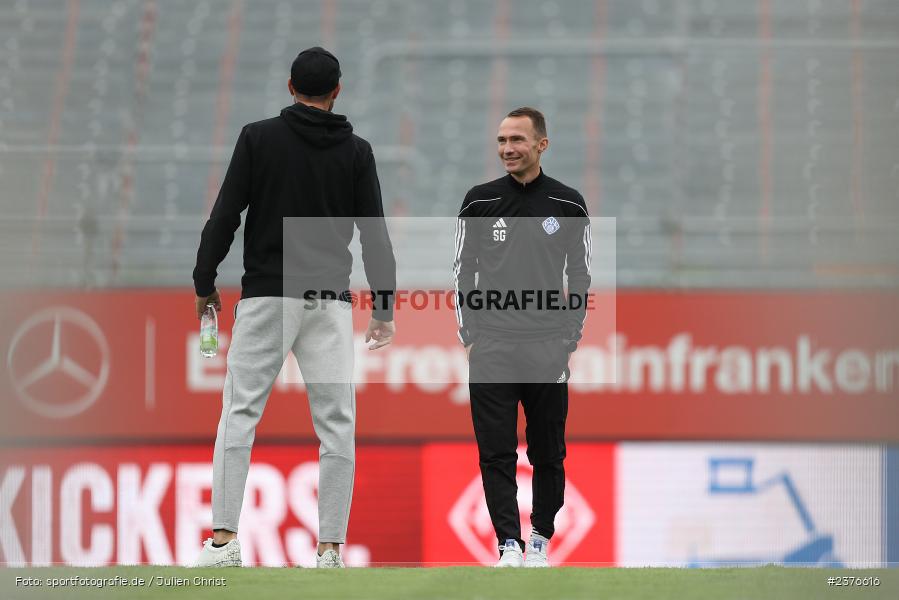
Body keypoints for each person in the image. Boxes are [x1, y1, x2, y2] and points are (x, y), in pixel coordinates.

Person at [191, 47, 396, 569]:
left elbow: (226, 214)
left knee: (239, 415)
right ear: (337, 92)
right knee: (336, 425)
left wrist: (204, 279)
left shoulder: (258, 138)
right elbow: (374, 232)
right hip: (327, 301)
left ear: (289, 87)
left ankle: (223, 542)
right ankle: (330, 549)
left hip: (267, 296)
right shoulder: (357, 151)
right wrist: (385, 304)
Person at [454, 107, 591, 568]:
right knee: (495, 451)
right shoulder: (479, 202)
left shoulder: (568, 204)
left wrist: (568, 338)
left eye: (517, 140)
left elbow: (582, 275)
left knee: (548, 451)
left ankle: (540, 540)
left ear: (541, 145)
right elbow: (462, 270)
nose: (507, 149)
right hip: (491, 346)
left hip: (547, 347)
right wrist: (469, 335)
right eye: (501, 141)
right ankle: (508, 545)